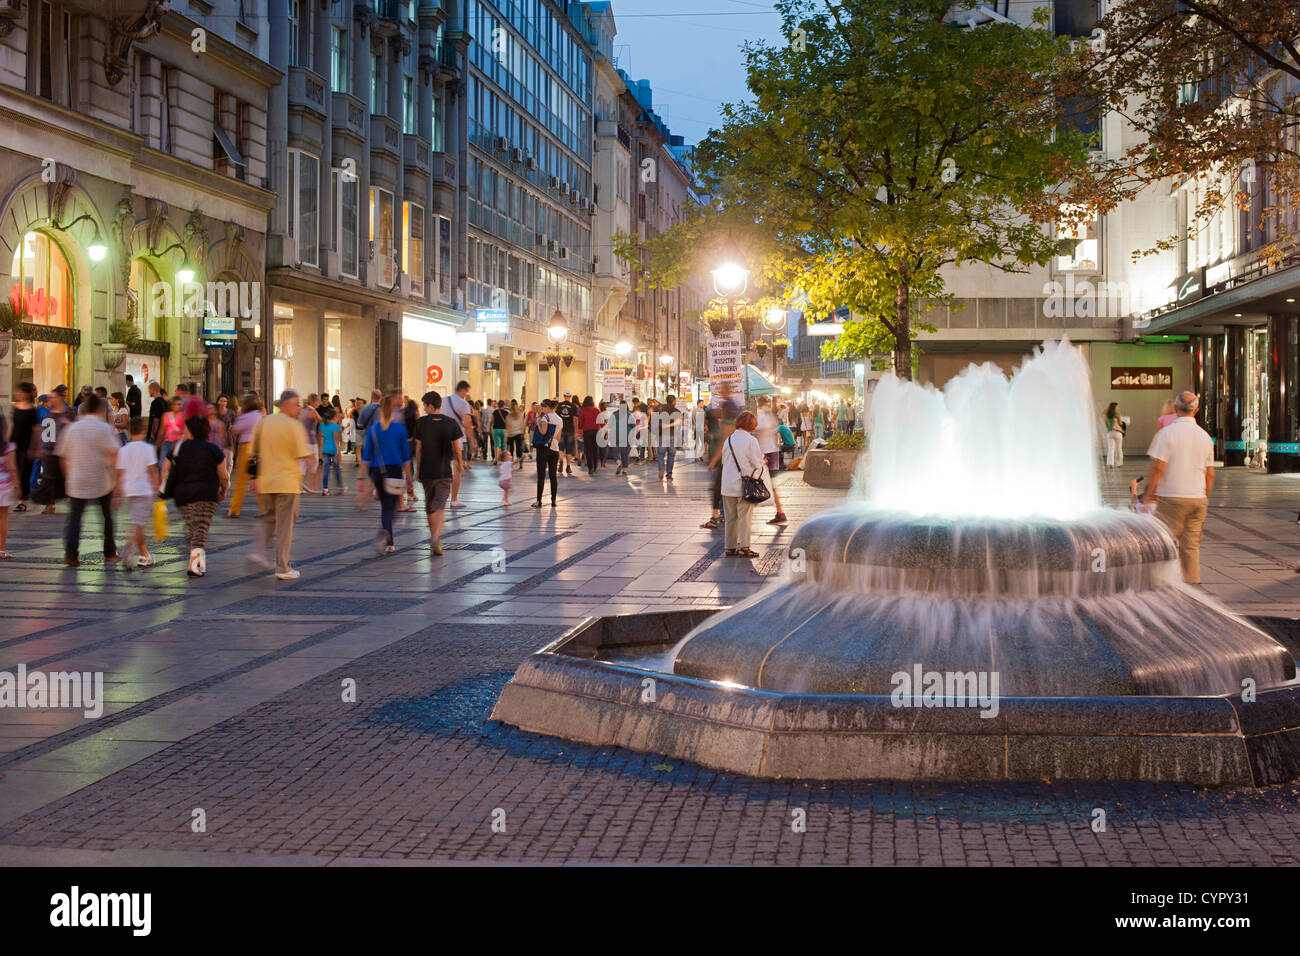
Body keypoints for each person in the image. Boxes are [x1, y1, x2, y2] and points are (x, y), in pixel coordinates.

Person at [1145, 391, 1215, 585]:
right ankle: (1192, 586)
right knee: (1191, 547)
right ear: (1197, 411)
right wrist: (1204, 496)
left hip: (1171, 498)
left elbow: (1158, 468)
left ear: (1176, 409)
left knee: (1163, 543)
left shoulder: (1166, 434)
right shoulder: (1205, 437)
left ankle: (1159, 584)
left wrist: (1148, 497)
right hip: (1197, 499)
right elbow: (1210, 474)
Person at [249, 390, 313, 580]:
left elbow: (253, 452)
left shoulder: (264, 422)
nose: (299, 408)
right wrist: (312, 461)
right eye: (297, 404)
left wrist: (254, 477)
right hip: (287, 483)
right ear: (286, 405)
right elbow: (302, 453)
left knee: (269, 519)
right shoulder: (294, 426)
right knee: (285, 526)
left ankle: (258, 551)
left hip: (266, 481)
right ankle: (282, 567)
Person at [161, 414, 228, 577]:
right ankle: (195, 566)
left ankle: (195, 561)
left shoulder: (178, 448)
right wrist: (224, 489)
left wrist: (164, 485)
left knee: (193, 527)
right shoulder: (213, 449)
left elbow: (165, 470)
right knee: (200, 529)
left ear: (190, 430)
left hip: (182, 495)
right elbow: (224, 475)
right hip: (206, 494)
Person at [57, 393, 120, 567]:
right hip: (102, 479)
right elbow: (115, 454)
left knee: (75, 517)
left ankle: (71, 554)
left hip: (77, 479)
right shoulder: (104, 429)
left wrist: (68, 475)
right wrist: (116, 484)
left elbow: (62, 456)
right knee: (106, 516)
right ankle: (109, 552)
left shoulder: (72, 428)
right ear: (100, 409)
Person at [359, 393, 413, 554]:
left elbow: (366, 456)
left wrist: (360, 478)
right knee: (394, 507)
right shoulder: (400, 429)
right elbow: (406, 458)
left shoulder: (373, 430)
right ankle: (384, 532)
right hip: (394, 470)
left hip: (377, 471)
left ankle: (390, 543)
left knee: (385, 506)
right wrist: (409, 478)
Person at [411, 390, 462, 556]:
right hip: (444, 471)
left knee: (429, 506)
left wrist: (417, 470)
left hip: (427, 470)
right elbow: (457, 447)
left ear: (431, 405)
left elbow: (418, 448)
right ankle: (435, 537)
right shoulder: (451, 422)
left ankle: (435, 538)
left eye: (425, 406)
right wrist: (460, 464)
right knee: (440, 505)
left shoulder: (421, 423)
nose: (424, 409)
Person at [720, 410, 767, 558]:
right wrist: (763, 461)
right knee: (744, 517)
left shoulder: (728, 440)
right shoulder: (751, 441)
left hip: (727, 485)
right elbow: (757, 463)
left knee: (730, 518)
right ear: (752, 426)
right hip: (743, 485)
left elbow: (724, 461)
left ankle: (730, 547)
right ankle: (745, 547)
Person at [114, 417, 159, 570]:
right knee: (138, 524)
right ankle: (128, 551)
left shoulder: (124, 450)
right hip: (143, 489)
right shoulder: (147, 449)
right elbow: (152, 471)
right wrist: (157, 488)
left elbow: (118, 473)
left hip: (129, 489)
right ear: (144, 431)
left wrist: (116, 494)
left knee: (138, 521)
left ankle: (144, 555)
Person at [227, 393, 264, 518]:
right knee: (257, 479)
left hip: (246, 448)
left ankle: (235, 509)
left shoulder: (246, 416)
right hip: (258, 447)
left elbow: (236, 429)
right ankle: (264, 509)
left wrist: (232, 426)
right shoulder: (260, 415)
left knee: (241, 481)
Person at [755, 396, 788, 524]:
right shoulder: (770, 416)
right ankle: (780, 512)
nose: (758, 404)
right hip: (772, 451)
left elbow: (761, 434)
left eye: (759, 402)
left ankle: (780, 512)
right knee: (769, 483)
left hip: (767, 452)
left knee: (762, 481)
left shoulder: (765, 417)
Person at [446, 380, 476, 504]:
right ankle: (454, 499)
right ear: (463, 390)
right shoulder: (463, 404)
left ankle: (439, 497)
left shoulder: (443, 400)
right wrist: (472, 441)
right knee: (458, 469)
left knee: (442, 468)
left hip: (442, 439)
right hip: (458, 440)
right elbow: (467, 424)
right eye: (467, 391)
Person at [10, 382, 38, 512]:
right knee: (13, 470)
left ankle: (22, 501)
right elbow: (12, 425)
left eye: (21, 392)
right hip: (14, 444)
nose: (18, 394)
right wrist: (7, 442)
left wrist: (33, 447)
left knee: (24, 472)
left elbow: (35, 430)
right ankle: (14, 494)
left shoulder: (32, 410)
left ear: (26, 394)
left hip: (26, 446)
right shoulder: (16, 407)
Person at [531, 399, 562, 508]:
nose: (542, 409)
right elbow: (558, 437)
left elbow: (543, 432)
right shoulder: (559, 419)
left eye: (543, 407)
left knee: (541, 475)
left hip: (543, 449)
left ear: (548, 407)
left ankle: (539, 501)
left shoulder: (545, 418)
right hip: (554, 449)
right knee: (553, 475)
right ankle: (553, 501)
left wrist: (538, 424)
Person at [656, 395, 681, 482]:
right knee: (671, 455)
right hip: (672, 435)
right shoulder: (676, 411)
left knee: (660, 454)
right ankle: (669, 475)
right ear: (673, 401)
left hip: (662, 435)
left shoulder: (660, 409)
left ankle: (661, 467)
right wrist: (669, 425)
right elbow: (678, 422)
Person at [319, 407, 343, 495]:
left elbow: (321, 439)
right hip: (333, 450)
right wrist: (338, 452)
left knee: (326, 469)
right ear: (334, 417)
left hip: (325, 449)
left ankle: (325, 489)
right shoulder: (336, 427)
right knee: (337, 469)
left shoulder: (322, 425)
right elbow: (336, 441)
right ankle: (340, 488)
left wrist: (320, 451)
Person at [156, 395, 185, 466]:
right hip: (167, 441)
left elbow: (186, 430)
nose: (179, 406)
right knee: (162, 463)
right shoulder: (165, 415)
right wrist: (157, 443)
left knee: (177, 463)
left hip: (179, 442)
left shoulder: (184, 415)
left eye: (181, 404)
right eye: (177, 404)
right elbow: (162, 430)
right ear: (172, 405)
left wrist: (179, 432)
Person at [0, 412, 14, 558]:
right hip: (4, 486)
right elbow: (12, 468)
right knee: (3, 517)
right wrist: (17, 486)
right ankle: (1, 549)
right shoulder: (8, 446)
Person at [555, 390, 579, 475]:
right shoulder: (573, 406)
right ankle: (568, 467)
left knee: (560, 448)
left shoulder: (559, 405)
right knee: (569, 449)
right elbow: (575, 420)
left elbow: (557, 418)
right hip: (570, 430)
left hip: (561, 430)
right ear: (570, 396)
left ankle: (561, 461)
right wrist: (576, 431)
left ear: (564, 395)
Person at [355, 389, 381, 466]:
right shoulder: (383, 408)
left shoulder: (365, 409)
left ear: (372, 397)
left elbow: (359, 424)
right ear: (380, 397)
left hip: (368, 432)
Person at [578, 395, 601, 476]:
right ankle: (595, 467)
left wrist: (580, 428)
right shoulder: (597, 410)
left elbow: (580, 423)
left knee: (588, 451)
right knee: (595, 450)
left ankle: (590, 468)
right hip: (596, 432)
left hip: (587, 432)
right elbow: (601, 421)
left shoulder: (582, 411)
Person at [1104, 401, 1126, 468]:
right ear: (1115, 407)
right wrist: (1123, 422)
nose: (1117, 408)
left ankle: (1110, 464)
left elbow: (1106, 424)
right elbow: (1120, 423)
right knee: (1119, 448)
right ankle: (1119, 464)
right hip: (1117, 433)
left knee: (1111, 449)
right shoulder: (1117, 414)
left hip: (1110, 433)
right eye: (1117, 406)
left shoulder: (1107, 415)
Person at [506, 399, 527, 465]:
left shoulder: (508, 416)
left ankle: (511, 462)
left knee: (511, 449)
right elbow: (523, 425)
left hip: (510, 435)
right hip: (518, 434)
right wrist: (524, 433)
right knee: (519, 449)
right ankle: (520, 461)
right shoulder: (520, 415)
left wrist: (506, 436)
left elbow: (507, 427)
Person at [492, 398, 510, 463]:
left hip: (496, 429)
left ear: (498, 405)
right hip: (504, 430)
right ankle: (504, 458)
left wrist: (489, 428)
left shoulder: (495, 412)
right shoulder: (506, 413)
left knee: (497, 444)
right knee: (504, 445)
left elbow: (492, 421)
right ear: (504, 405)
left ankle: (496, 458)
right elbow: (508, 423)